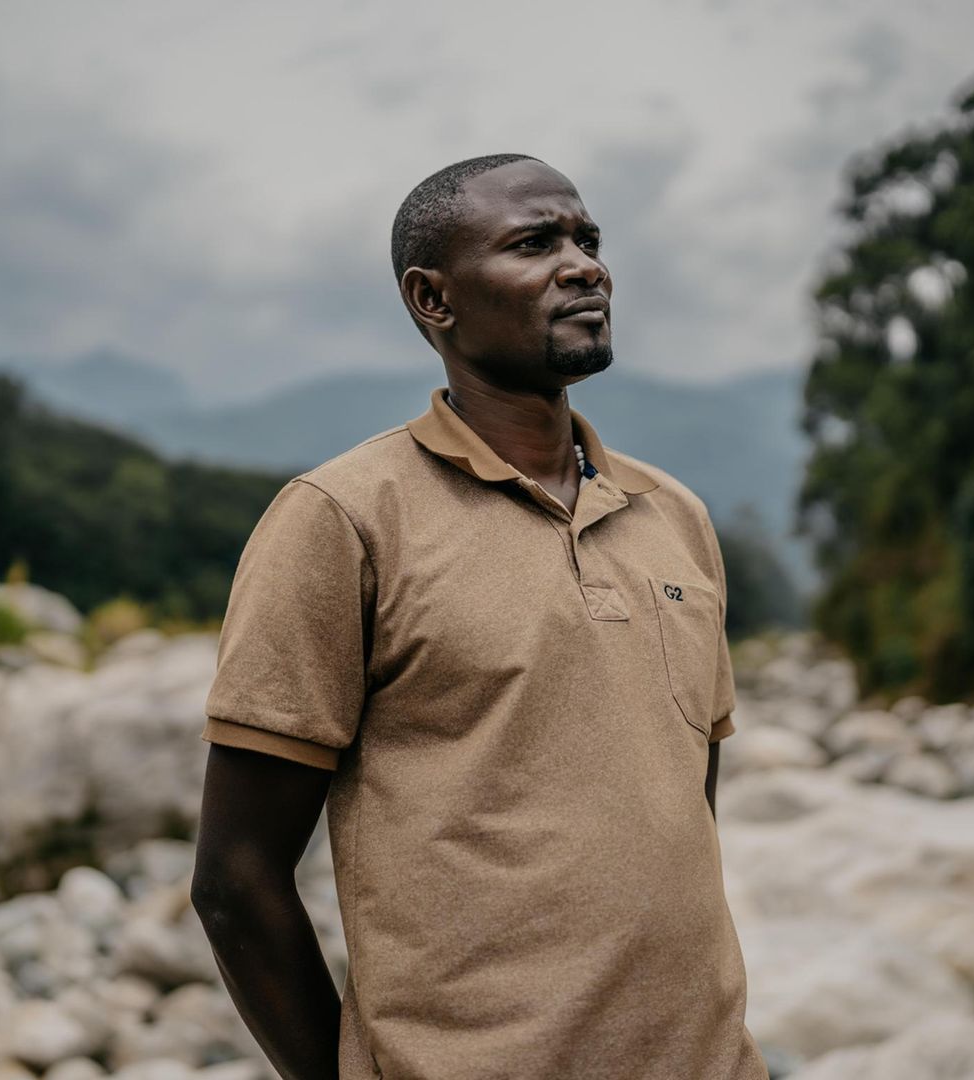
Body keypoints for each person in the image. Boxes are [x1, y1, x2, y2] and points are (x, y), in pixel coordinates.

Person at [190, 153, 768, 1080]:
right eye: (536, 243)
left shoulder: (675, 518)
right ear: (434, 299)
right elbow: (235, 880)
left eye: (587, 240)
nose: (584, 266)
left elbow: (684, 812)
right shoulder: (344, 520)